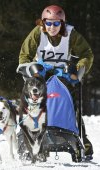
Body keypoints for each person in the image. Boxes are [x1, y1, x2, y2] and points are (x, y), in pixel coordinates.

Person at [18, 5, 94, 160]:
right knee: (34, 103)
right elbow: (24, 55)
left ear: (62, 23)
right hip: (41, 72)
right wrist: (29, 72)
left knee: (71, 103)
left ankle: (82, 141)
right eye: (48, 23)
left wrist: (78, 70)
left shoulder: (71, 34)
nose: (52, 27)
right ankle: (26, 138)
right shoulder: (37, 33)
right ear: (43, 22)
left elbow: (87, 53)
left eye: (56, 23)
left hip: (63, 72)